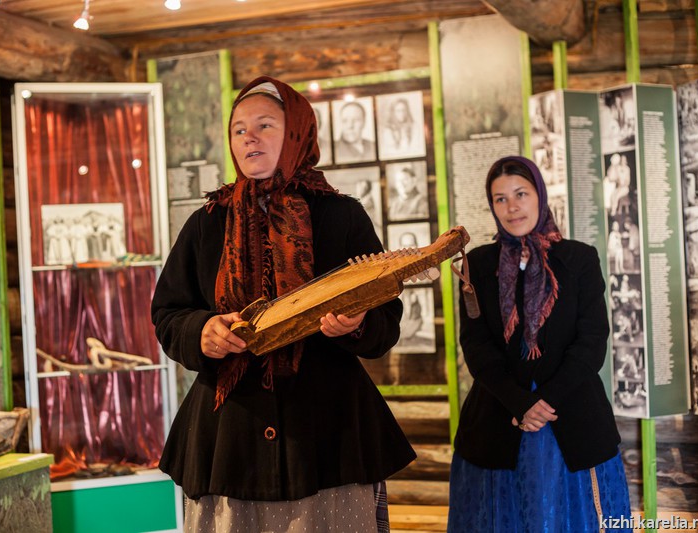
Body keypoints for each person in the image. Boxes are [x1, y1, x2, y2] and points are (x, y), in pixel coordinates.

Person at [152, 76, 415, 532]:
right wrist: (201, 331)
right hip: (230, 440)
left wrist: (356, 322)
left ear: (296, 133)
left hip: (329, 438)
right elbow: (168, 313)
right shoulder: (206, 224)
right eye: (239, 129)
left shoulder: (341, 216)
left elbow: (386, 317)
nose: (249, 138)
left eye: (265, 125)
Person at [448, 156, 631, 531]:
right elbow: (476, 346)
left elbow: (592, 341)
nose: (512, 207)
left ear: (539, 195)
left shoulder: (579, 259)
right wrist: (520, 403)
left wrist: (542, 403)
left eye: (521, 194)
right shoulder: (477, 265)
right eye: (500, 199)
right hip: (499, 417)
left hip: (570, 416)